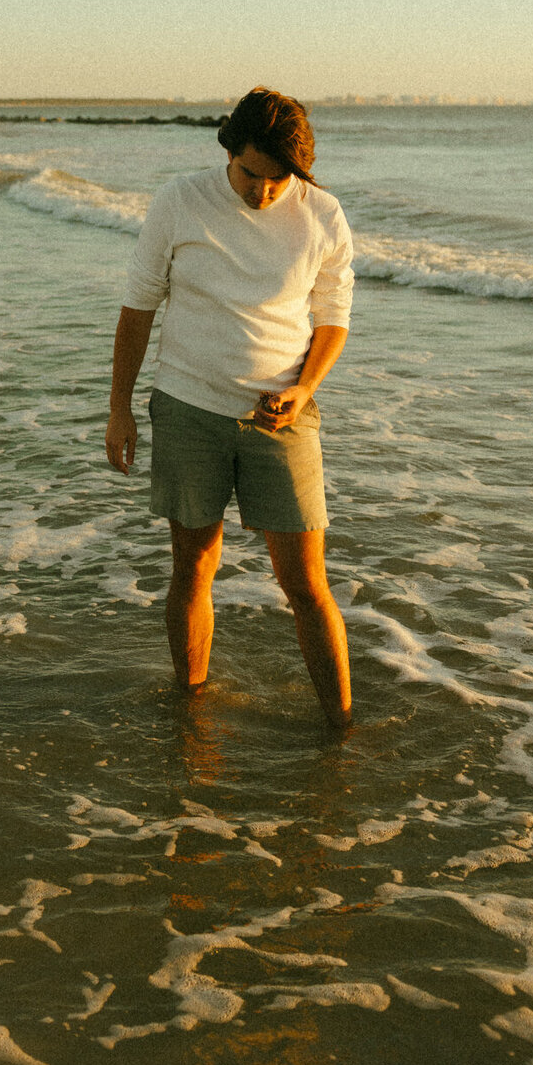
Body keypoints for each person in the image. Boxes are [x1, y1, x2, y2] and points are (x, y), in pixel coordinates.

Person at [105, 87, 355, 728]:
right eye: (251, 174)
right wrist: (120, 409)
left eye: (279, 180)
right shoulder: (180, 200)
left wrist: (305, 389)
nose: (263, 192)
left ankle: (342, 727)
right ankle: (190, 707)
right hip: (189, 406)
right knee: (194, 564)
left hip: (282, 418)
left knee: (306, 584)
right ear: (227, 148)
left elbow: (332, 319)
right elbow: (137, 310)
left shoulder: (322, 214)